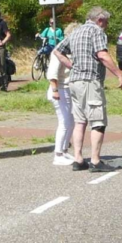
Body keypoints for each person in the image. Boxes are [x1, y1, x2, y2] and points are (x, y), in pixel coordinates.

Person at [53, 6, 122, 172]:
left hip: (74, 81)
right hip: (90, 80)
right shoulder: (97, 31)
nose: (106, 26)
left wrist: (71, 65)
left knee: (80, 121)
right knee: (98, 121)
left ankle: (78, 159)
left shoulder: (76, 31)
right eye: (106, 22)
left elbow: (57, 51)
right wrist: (119, 75)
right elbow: (102, 55)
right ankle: (95, 160)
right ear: (100, 20)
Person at [46, 37, 74, 165]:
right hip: (60, 89)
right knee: (64, 122)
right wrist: (55, 90)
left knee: (71, 122)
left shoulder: (70, 52)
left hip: (68, 89)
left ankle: (64, 150)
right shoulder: (57, 52)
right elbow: (52, 73)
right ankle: (57, 155)